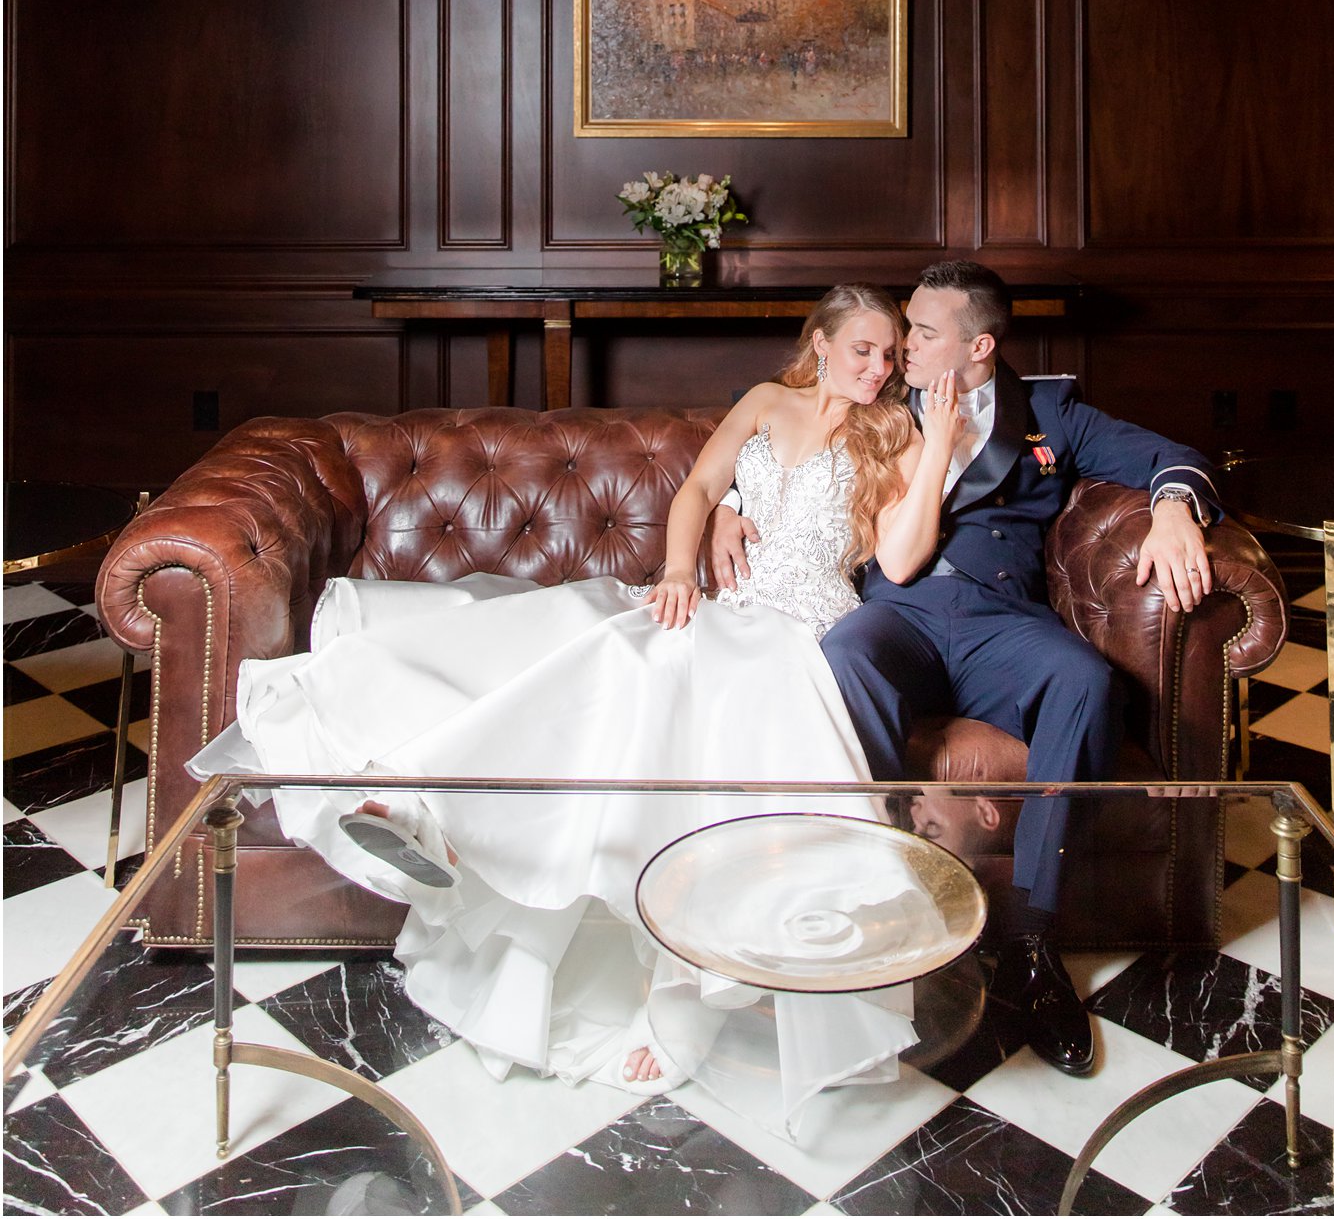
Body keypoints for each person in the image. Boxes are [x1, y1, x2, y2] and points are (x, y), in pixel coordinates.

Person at [230, 285, 962, 1141]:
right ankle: (422, 798)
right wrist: (683, 568)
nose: (878, 368)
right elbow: (694, 491)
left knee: (670, 695)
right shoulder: (767, 401)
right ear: (822, 344)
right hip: (721, 605)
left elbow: (905, 559)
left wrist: (939, 438)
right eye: (862, 350)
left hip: (795, 634)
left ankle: (676, 978)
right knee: (603, 650)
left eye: (887, 354)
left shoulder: (896, 432)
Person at [711, 257, 1217, 1078]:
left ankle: (1033, 941)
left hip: (1000, 621)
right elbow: (789, 444)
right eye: (903, 325)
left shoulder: (1051, 413)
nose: (900, 342)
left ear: (978, 344)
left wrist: (1170, 510)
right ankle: (871, 899)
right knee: (845, 652)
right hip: (898, 612)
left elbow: (1171, 452)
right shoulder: (879, 394)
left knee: (1085, 681)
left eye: (922, 330)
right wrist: (730, 509)